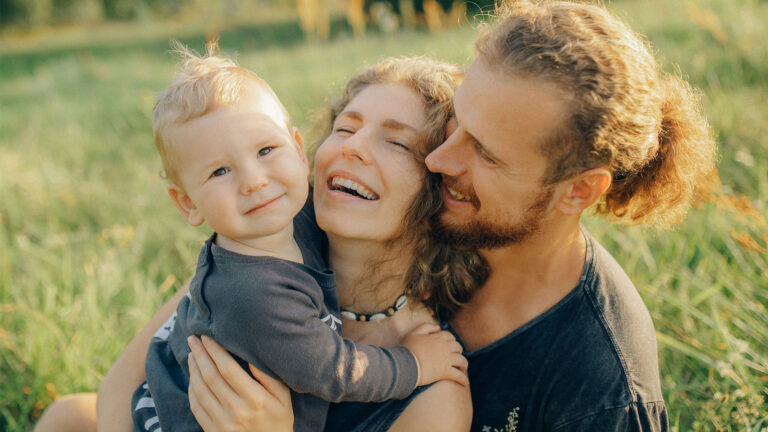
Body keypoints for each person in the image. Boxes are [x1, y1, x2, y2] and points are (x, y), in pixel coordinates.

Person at [152, 1, 716, 431]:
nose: (442, 160)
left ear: (578, 191)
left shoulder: (602, 389)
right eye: (454, 126)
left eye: (485, 152)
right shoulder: (295, 230)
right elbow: (130, 383)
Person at [34, 56, 484, 432]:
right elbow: (122, 384)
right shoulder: (259, 253)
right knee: (67, 416)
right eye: (345, 129)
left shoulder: (435, 391)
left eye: (397, 143)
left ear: (441, 187)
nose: (353, 147)